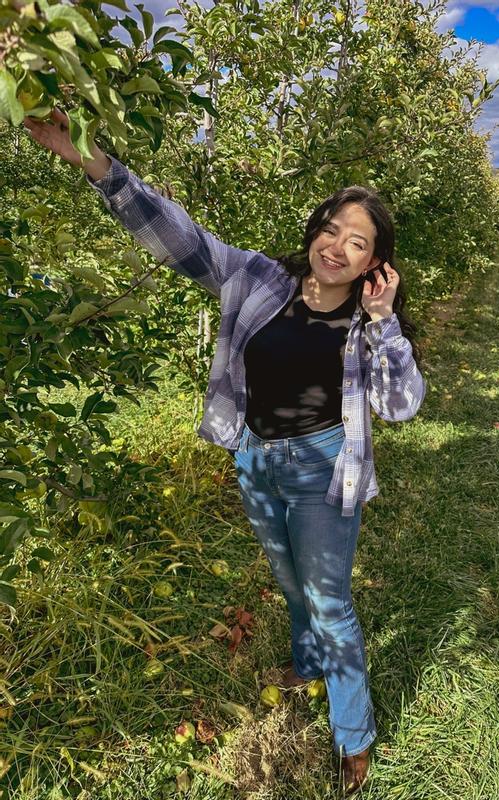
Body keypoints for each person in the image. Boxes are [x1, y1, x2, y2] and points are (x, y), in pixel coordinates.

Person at [24, 108, 427, 795]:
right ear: (314, 231)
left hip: (324, 469)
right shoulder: (257, 279)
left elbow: (401, 404)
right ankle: (307, 664)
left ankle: (353, 734)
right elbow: (176, 234)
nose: (337, 246)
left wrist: (387, 321)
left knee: (330, 601)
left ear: (374, 262)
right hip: (256, 459)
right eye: (331, 229)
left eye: (357, 242)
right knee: (291, 583)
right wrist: (87, 156)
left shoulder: (368, 325)